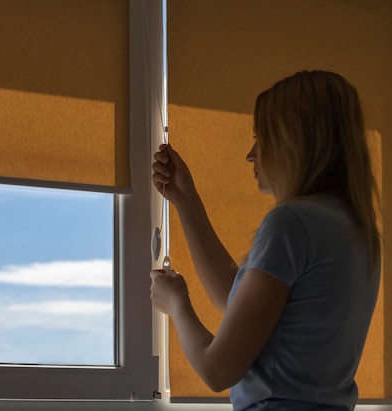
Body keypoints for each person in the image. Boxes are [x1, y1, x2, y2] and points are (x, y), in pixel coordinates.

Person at [150, 70, 381, 410]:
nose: (251, 153)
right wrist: (187, 202)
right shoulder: (355, 231)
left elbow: (218, 370)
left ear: (295, 140)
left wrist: (177, 304)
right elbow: (241, 303)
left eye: (262, 136)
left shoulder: (291, 223)